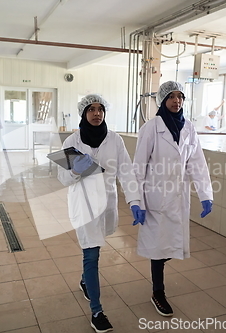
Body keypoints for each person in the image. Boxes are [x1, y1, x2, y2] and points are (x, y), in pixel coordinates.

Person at [57, 94, 145, 333]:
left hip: (106, 204)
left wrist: (135, 201)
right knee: (92, 254)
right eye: (91, 110)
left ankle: (85, 280)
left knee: (96, 248)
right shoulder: (72, 142)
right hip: (83, 205)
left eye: (100, 110)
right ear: (83, 114)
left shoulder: (114, 140)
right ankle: (97, 311)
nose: (96, 114)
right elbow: (63, 178)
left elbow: (126, 172)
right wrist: (76, 170)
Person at [133, 81, 213, 317]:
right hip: (155, 196)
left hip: (178, 196)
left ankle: (158, 286)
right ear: (162, 100)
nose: (176, 101)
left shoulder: (188, 127)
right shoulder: (151, 128)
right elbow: (138, 167)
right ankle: (158, 292)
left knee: (169, 244)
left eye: (180, 97)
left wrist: (205, 194)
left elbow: (197, 163)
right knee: (159, 248)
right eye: (171, 97)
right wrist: (136, 200)